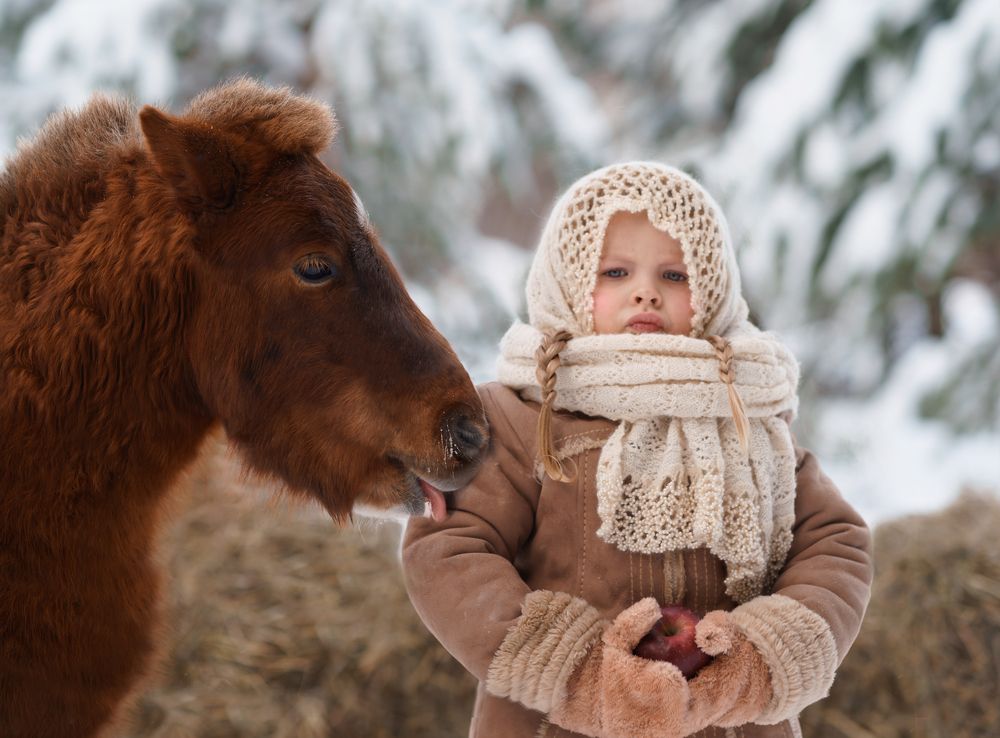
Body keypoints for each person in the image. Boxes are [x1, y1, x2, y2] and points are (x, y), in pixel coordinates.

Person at [402, 161, 873, 738]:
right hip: (558, 723)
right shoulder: (524, 415)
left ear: (714, 293)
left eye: (675, 276)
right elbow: (453, 548)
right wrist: (574, 672)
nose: (646, 290)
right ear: (568, 284)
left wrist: (764, 657)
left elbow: (834, 543)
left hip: (728, 723)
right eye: (616, 271)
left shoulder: (747, 418)